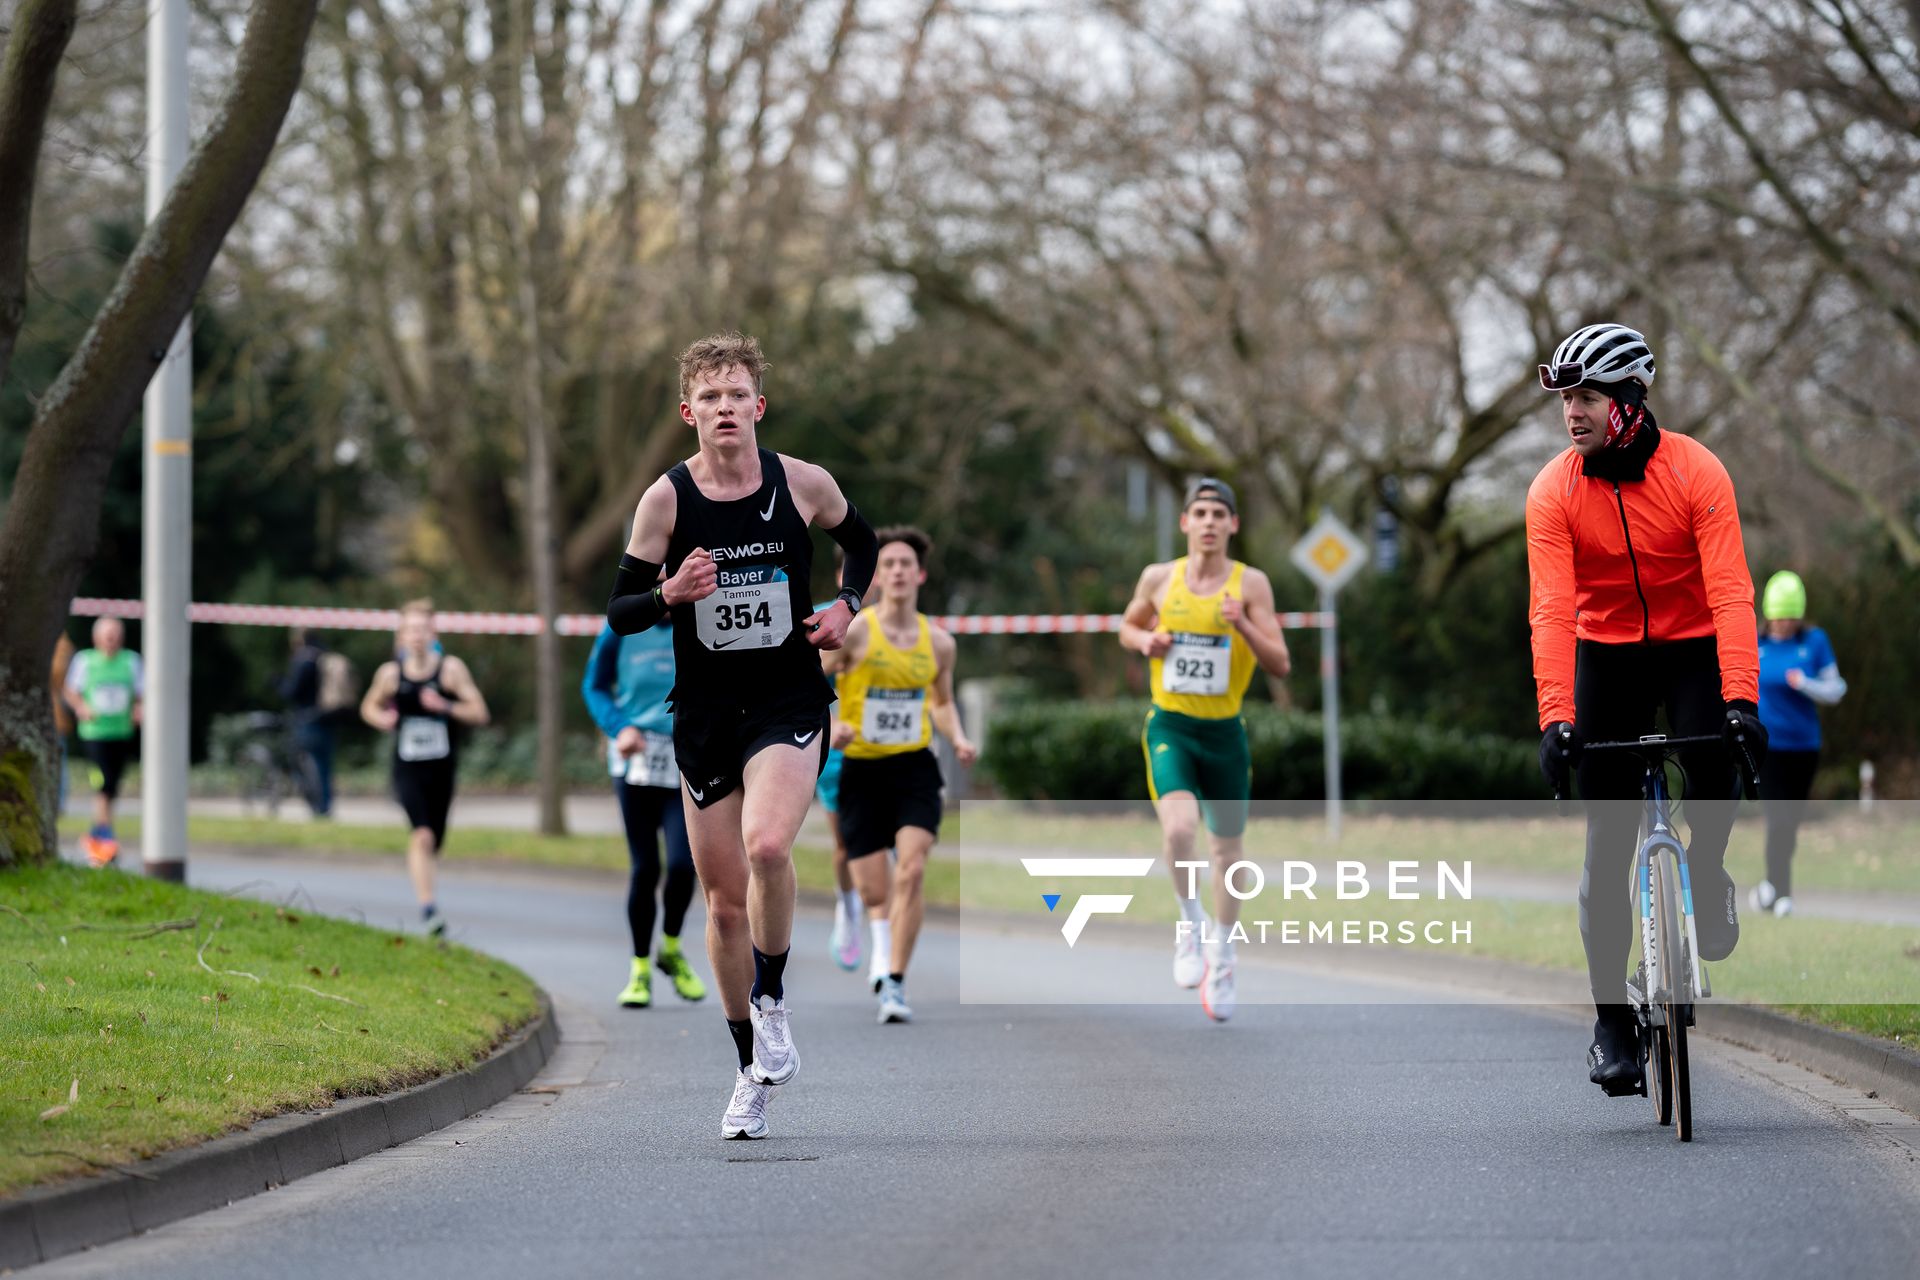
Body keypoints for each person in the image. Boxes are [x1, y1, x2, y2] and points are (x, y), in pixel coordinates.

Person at [606, 331, 878, 1140]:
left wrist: (847, 605)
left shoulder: (801, 484)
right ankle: (748, 1066)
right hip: (704, 715)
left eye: (738, 396)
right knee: (723, 907)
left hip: (787, 699)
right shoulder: (665, 501)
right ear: (689, 413)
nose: (725, 409)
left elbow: (859, 542)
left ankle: (772, 996)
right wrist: (667, 594)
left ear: (758, 407)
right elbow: (618, 614)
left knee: (767, 848)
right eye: (710, 398)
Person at [1528, 322, 1766, 1099]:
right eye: (1567, 399)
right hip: (1606, 651)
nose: (1573, 412)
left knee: (1712, 759)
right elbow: (1552, 612)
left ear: (1629, 400)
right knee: (1606, 841)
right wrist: (1556, 719)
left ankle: (1707, 866)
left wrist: (1742, 700)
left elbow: (1731, 589)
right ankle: (1609, 1025)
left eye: (1588, 396)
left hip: (1694, 639)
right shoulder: (1553, 491)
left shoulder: (1697, 472)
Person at [1119, 479, 1292, 1023]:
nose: (1211, 521)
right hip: (1171, 724)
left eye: (1220, 513)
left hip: (1225, 735)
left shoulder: (1252, 585)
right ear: (1185, 523)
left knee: (1227, 855)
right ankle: (1189, 923)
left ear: (1233, 525)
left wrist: (1241, 623)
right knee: (1178, 830)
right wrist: (1145, 641)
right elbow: (1127, 624)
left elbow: (1281, 663)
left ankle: (1224, 953)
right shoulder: (1159, 578)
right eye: (1201, 512)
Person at [822, 527, 978, 1023]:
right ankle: (878, 944)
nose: (896, 571)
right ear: (876, 575)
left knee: (911, 869)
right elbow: (807, 677)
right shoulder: (858, 631)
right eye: (886, 564)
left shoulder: (940, 642)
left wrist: (957, 737)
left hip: (913, 767)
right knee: (875, 889)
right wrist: (831, 723)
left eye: (905, 564)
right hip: (861, 769)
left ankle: (894, 981)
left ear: (920, 574)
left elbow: (943, 701)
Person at [582, 613, 709, 1007]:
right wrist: (619, 728)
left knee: (684, 865)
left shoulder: (702, 622)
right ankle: (639, 970)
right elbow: (595, 687)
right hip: (634, 763)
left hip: (684, 761)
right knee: (645, 867)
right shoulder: (619, 628)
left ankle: (669, 948)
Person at [359, 601, 491, 935]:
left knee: (435, 841)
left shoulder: (450, 670)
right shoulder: (390, 675)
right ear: (400, 636)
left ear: (433, 633)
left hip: (442, 768)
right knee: (422, 835)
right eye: (409, 630)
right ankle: (428, 908)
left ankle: (427, 891)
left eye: (422, 629)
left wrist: (445, 705)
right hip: (407, 768)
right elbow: (367, 708)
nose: (416, 636)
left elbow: (479, 712)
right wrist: (384, 719)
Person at [1751, 570, 1847, 918]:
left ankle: (1771, 887)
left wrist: (1805, 683)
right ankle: (1782, 892)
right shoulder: (1755, 643)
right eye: (1778, 620)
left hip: (1805, 747)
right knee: (1777, 820)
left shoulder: (1815, 641)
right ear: (1768, 615)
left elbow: (1836, 690)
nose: (1783, 627)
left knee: (1789, 823)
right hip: (1768, 748)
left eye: (1790, 620)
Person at [63, 617, 143, 867]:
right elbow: (70, 690)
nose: (111, 639)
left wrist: (138, 709)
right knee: (103, 783)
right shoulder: (85, 660)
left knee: (112, 787)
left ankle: (97, 835)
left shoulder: (131, 661)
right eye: (107, 635)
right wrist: (81, 707)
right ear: (97, 637)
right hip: (94, 733)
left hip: (120, 732)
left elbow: (142, 693)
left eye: (115, 634)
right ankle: (104, 839)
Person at [279, 628, 336, 818]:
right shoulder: (324, 657)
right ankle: (326, 806)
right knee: (325, 765)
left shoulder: (303, 660)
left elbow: (292, 691)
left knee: (303, 763)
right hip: (328, 717)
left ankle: (317, 806)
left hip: (307, 719)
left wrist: (277, 683)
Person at [51, 630, 76, 821]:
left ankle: (58, 804)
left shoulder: (60, 642)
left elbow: (58, 675)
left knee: (58, 764)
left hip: (54, 717)